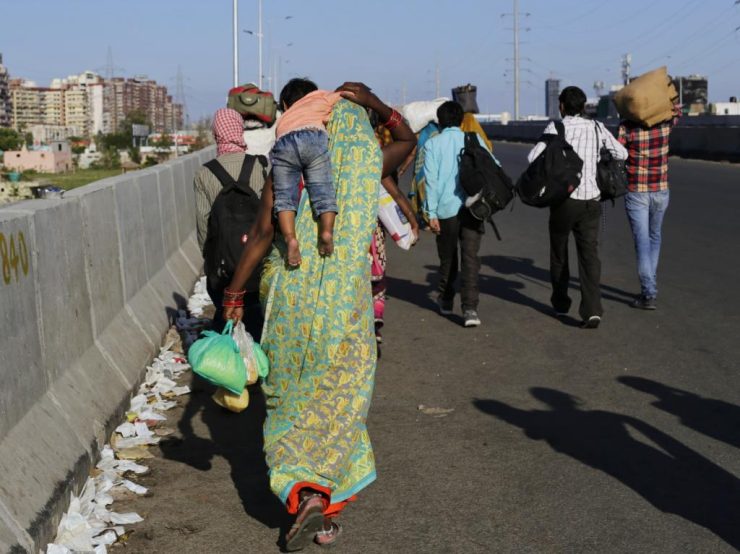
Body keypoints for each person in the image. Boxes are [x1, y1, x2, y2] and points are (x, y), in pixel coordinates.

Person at [222, 82, 416, 550]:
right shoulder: (362, 162)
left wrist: (233, 293)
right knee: (338, 405)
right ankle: (322, 511)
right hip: (346, 309)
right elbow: (407, 140)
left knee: (290, 402)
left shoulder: (286, 167)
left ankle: (303, 493)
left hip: (289, 304)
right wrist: (373, 102)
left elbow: (262, 234)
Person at [527, 86, 628, 328]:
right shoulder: (597, 127)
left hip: (564, 201)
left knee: (559, 253)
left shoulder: (555, 128)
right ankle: (592, 310)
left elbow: (533, 157)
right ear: (583, 107)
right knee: (589, 255)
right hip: (591, 200)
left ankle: (561, 303)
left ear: (561, 106)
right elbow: (621, 153)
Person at [423, 100, 499, 328]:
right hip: (474, 208)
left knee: (448, 257)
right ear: (460, 120)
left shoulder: (432, 144)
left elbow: (431, 182)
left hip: (446, 210)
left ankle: (446, 299)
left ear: (440, 121)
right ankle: (470, 309)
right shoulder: (474, 139)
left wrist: (431, 213)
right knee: (471, 258)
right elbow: (494, 165)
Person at [193, 108, 266, 335]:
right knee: (256, 317)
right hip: (257, 263)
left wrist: (211, 262)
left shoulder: (204, 174)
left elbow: (203, 225)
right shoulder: (259, 166)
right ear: (239, 131)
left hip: (223, 268)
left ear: (217, 134)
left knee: (225, 314)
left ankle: (227, 347)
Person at [271, 78, 344, 267]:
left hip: (284, 140)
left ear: (285, 105)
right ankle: (326, 231)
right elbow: (344, 95)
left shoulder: (285, 117)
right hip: (313, 136)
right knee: (323, 190)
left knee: (284, 197)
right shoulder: (321, 98)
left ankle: (290, 239)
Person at [618, 105, 680, 310]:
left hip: (636, 191)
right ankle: (649, 285)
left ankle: (649, 292)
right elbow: (677, 113)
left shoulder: (626, 127)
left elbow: (617, 151)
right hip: (661, 190)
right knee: (655, 236)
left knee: (642, 242)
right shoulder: (664, 125)